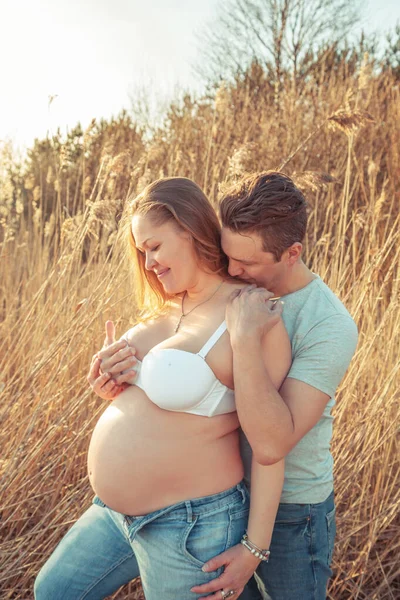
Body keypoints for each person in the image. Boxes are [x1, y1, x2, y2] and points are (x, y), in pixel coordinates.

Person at [34, 176, 291, 600]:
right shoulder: (168, 305)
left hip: (190, 521)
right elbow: (150, 396)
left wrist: (253, 548)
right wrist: (107, 383)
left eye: (154, 246)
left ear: (189, 229)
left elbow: (268, 446)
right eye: (141, 252)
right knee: (54, 590)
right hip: (115, 514)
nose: (148, 262)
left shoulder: (249, 312)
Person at [191, 171, 358, 600]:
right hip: (220, 496)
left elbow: (272, 442)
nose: (231, 270)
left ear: (291, 253)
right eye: (228, 255)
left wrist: (245, 338)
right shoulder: (230, 284)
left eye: (247, 262)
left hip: (292, 514)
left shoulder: (329, 324)